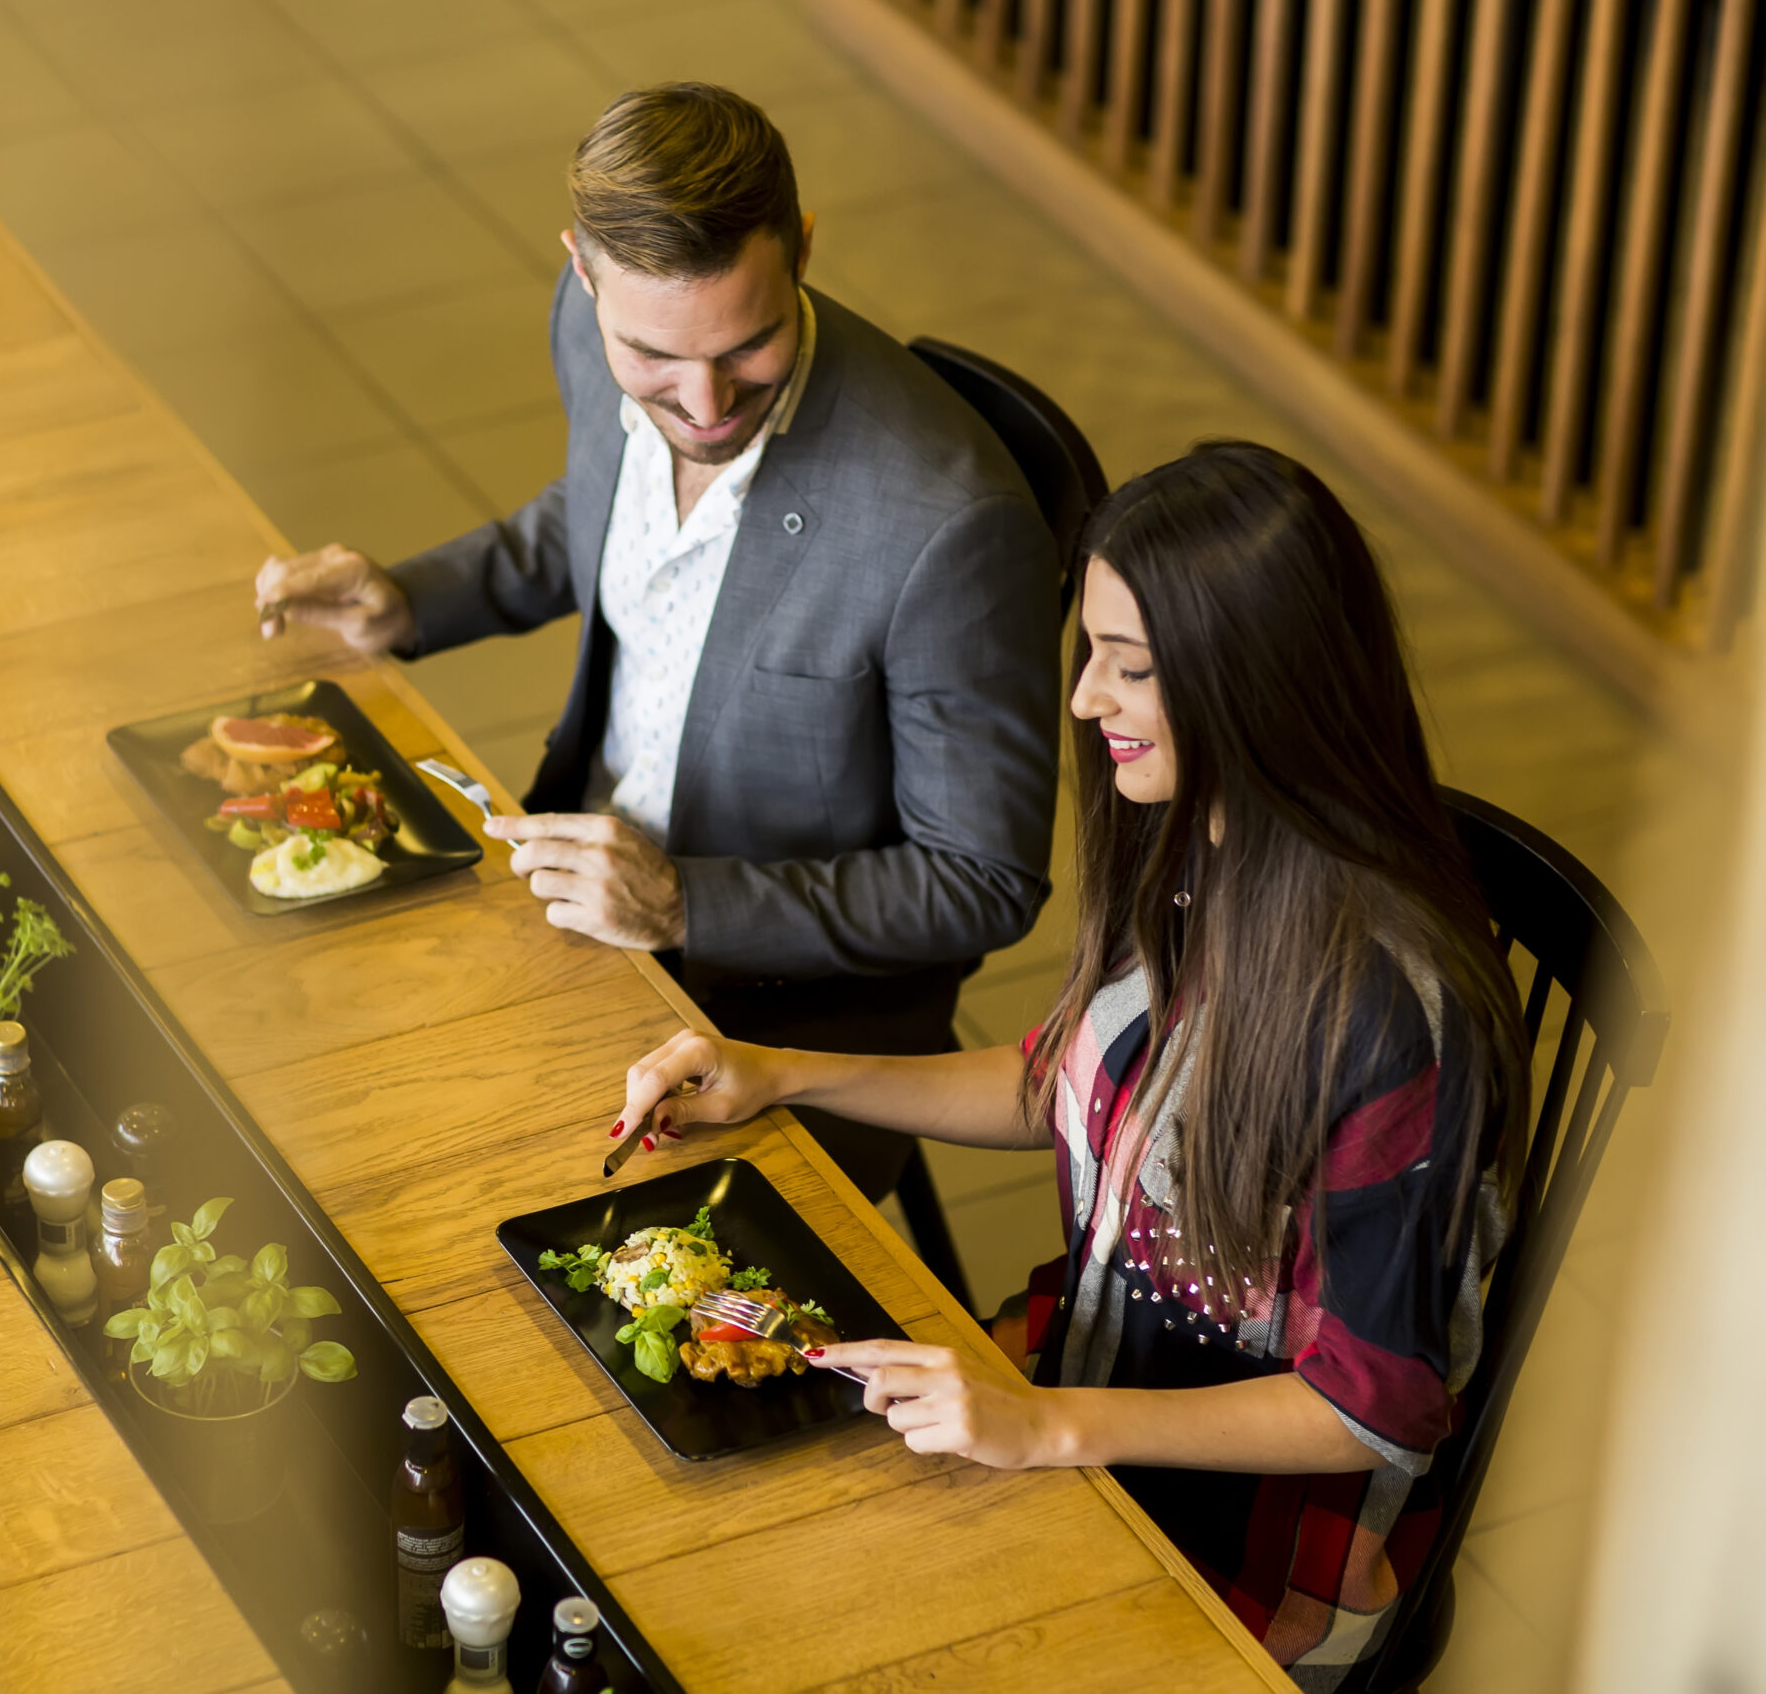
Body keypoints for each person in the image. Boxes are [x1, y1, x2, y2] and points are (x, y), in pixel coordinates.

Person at [610, 442, 1529, 1685]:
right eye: (1091, 653)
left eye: (1130, 669)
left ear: (1256, 689)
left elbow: (1366, 1407)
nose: (1087, 700)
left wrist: (1042, 1425)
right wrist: (778, 1071)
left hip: (1241, 1543)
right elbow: (1066, 1085)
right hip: (1077, 1381)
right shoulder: (1199, 840)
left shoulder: (1388, 1017)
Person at [253, 83, 1063, 1230]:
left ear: (805, 250)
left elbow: (984, 880)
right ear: (582, 272)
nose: (703, 404)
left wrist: (685, 905)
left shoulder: (946, 525)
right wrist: (411, 599)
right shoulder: (586, 332)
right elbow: (600, 519)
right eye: (655, 360)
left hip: (788, 1020)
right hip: (577, 904)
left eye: (750, 347)